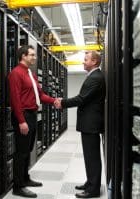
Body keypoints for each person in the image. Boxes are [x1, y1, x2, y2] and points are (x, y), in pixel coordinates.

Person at [8, 45, 60, 198]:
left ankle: (25, 178)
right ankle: (17, 186)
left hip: (31, 114)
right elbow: (15, 100)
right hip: (23, 116)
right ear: (23, 56)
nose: (34, 57)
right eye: (31, 55)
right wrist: (21, 121)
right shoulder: (16, 74)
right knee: (21, 152)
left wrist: (54, 101)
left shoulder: (30, 74)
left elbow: (41, 95)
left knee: (28, 149)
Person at [55, 51, 106, 198]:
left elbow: (81, 99)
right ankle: (90, 183)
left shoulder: (96, 77)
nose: (83, 62)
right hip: (90, 123)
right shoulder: (94, 76)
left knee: (92, 157)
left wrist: (62, 103)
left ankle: (93, 189)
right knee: (90, 156)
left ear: (94, 61)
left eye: (86, 60)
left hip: (91, 123)